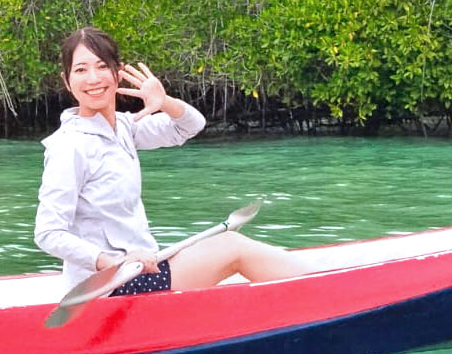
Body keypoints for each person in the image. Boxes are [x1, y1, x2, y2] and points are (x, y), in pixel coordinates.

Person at [34, 27, 308, 296]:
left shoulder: (125, 128)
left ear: (118, 73)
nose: (93, 78)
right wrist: (114, 262)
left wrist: (164, 101)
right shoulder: (69, 145)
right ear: (67, 80)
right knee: (232, 247)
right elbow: (48, 233)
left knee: (229, 245)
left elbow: (189, 126)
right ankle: (320, 294)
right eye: (80, 70)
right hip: (111, 284)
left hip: (144, 266)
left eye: (102, 66)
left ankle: (315, 290)